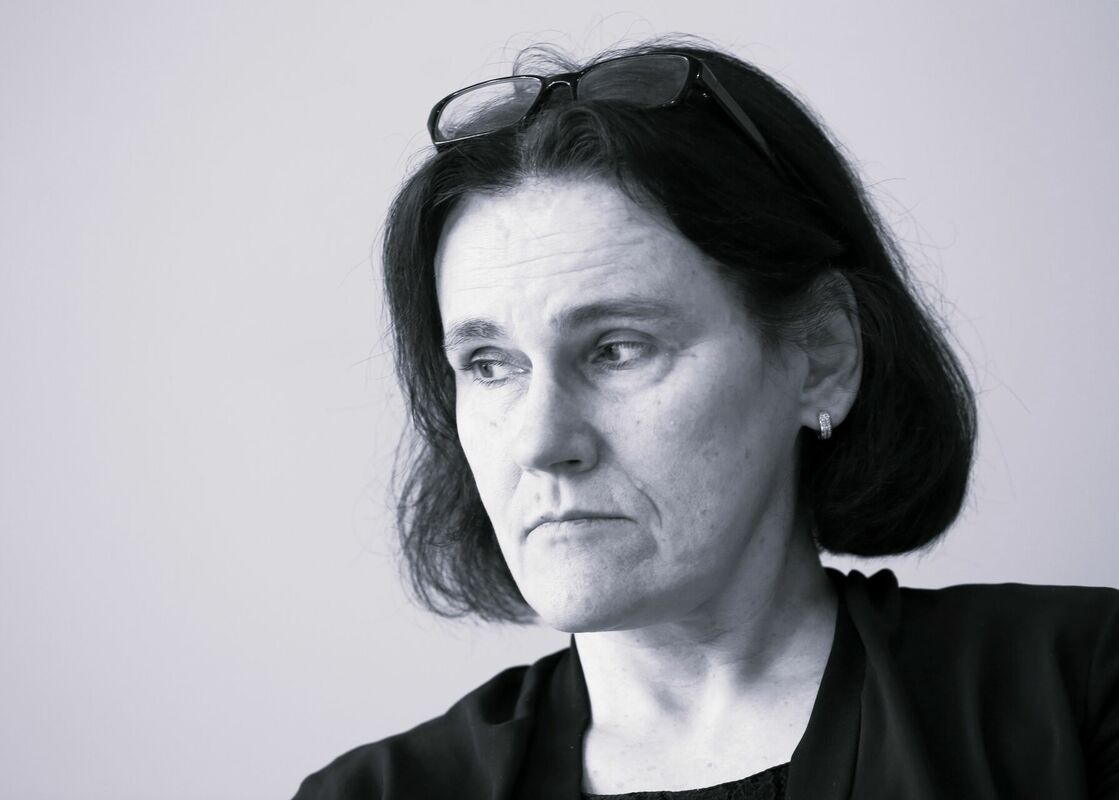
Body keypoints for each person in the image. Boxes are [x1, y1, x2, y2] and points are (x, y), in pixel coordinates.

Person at [293, 39, 1119, 799]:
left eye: (616, 349)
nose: (540, 442)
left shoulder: (1078, 691)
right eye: (488, 364)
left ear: (821, 355)